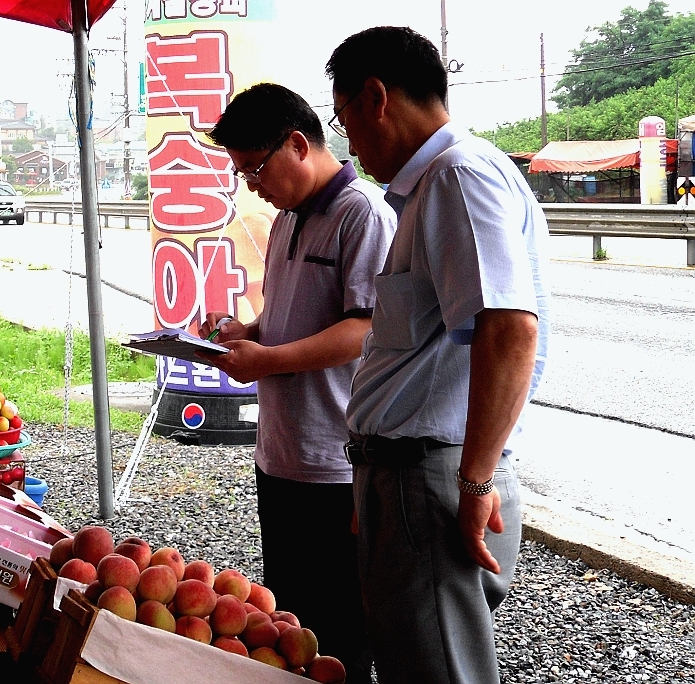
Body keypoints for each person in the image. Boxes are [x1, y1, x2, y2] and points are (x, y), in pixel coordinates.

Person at [326, 27, 550, 684]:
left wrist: (473, 481)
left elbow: (509, 329)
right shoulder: (436, 186)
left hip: (431, 477)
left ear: (376, 98)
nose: (350, 145)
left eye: (345, 120)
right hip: (412, 477)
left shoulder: (457, 176)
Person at [199, 83, 396, 682]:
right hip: (281, 455)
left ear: (297, 144)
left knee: (340, 631)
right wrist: (245, 332)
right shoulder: (286, 219)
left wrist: (268, 360)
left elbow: (365, 328)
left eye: (255, 169)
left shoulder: (362, 213)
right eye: (241, 173)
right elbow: (290, 316)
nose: (251, 185)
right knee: (289, 624)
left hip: (336, 463)